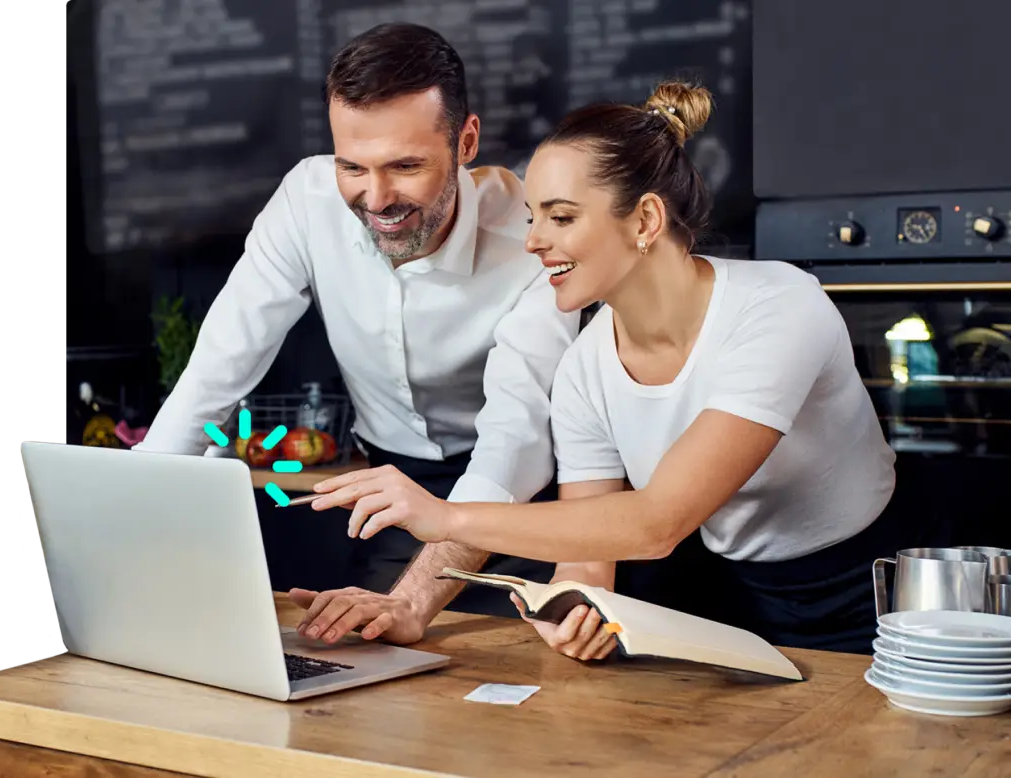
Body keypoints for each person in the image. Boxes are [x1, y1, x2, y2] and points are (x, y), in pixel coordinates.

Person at [301, 80, 905, 656]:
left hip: (868, 597)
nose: (533, 241)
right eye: (532, 217)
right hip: (720, 598)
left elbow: (657, 522)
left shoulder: (779, 307)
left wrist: (444, 516)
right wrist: (574, 605)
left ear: (644, 220)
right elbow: (590, 555)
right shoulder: (585, 369)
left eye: (561, 218)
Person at [135, 23, 579, 620]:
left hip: (524, 500)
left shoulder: (531, 238)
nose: (376, 198)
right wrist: (128, 523)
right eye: (353, 167)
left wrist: (414, 604)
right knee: (377, 677)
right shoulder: (306, 202)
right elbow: (215, 373)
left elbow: (514, 443)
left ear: (466, 142)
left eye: (405, 166)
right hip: (392, 488)